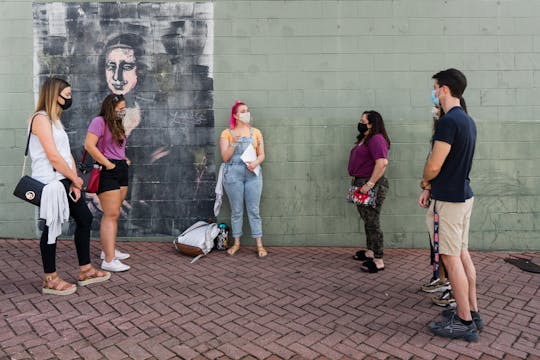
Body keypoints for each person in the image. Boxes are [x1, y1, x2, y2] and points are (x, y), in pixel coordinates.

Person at [29, 77, 110, 295]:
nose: (69, 98)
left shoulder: (55, 121)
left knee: (84, 218)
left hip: (65, 180)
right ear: (53, 95)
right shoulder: (40, 119)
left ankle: (85, 270)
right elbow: (53, 157)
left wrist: (74, 180)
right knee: (52, 228)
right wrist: (74, 179)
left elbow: (66, 154)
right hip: (51, 182)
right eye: (66, 94)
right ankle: (50, 279)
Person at [419, 68, 483, 342]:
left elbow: (435, 164)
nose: (433, 93)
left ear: (444, 89)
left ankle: (464, 322)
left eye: (435, 88)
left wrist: (425, 181)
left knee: (450, 257)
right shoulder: (467, 120)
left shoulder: (448, 122)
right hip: (462, 195)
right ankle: (473, 312)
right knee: (462, 254)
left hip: (450, 200)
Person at [84, 94, 131, 272]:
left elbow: (116, 146)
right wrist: (109, 164)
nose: (122, 112)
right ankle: (109, 261)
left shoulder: (116, 123)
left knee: (114, 213)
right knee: (110, 214)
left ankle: (107, 251)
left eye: (124, 109)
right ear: (111, 108)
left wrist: (123, 159)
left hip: (120, 168)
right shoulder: (99, 121)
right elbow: (89, 145)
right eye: (119, 109)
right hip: (107, 170)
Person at [219, 101, 266, 257]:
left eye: (248, 110)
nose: (247, 113)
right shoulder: (227, 133)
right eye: (243, 111)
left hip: (253, 174)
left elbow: (262, 154)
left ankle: (259, 245)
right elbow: (225, 157)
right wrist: (233, 143)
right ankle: (237, 243)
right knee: (237, 211)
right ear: (235, 115)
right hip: (233, 174)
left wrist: (256, 163)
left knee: (254, 210)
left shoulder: (256, 133)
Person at [348, 111, 390, 273]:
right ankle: (370, 251)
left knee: (372, 221)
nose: (360, 123)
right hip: (360, 182)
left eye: (363, 120)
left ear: (371, 123)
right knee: (367, 219)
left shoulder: (376, 139)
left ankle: (378, 260)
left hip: (371, 183)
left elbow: (382, 163)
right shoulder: (365, 138)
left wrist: (370, 184)